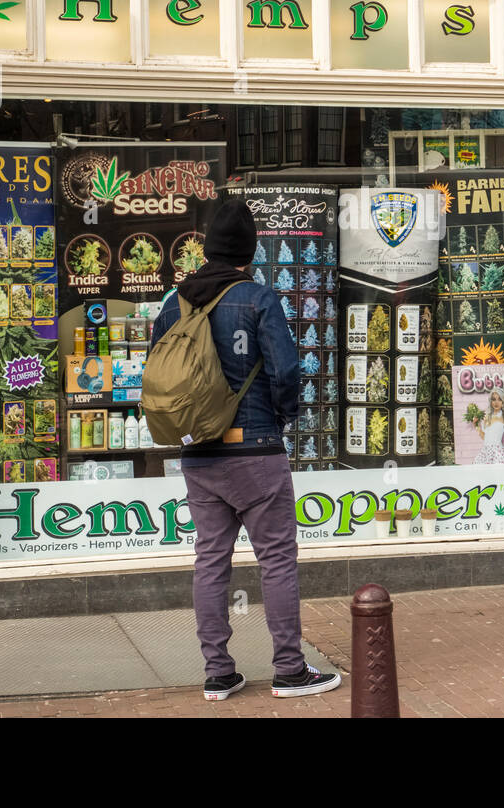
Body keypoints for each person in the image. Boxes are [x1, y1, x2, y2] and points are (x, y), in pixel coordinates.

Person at [150, 201, 341, 702]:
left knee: (210, 560)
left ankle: (218, 674)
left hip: (199, 454)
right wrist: (279, 420)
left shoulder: (173, 304)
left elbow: (161, 379)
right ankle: (290, 670)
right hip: (256, 452)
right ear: (250, 250)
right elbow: (285, 373)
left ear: (208, 247)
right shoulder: (259, 299)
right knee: (276, 559)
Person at [474, 389, 504, 465]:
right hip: (485, 452)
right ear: (491, 401)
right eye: (494, 399)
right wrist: (476, 425)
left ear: (503, 402)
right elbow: (484, 437)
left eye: (499, 399)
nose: (496, 402)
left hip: (498, 452)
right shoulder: (486, 416)